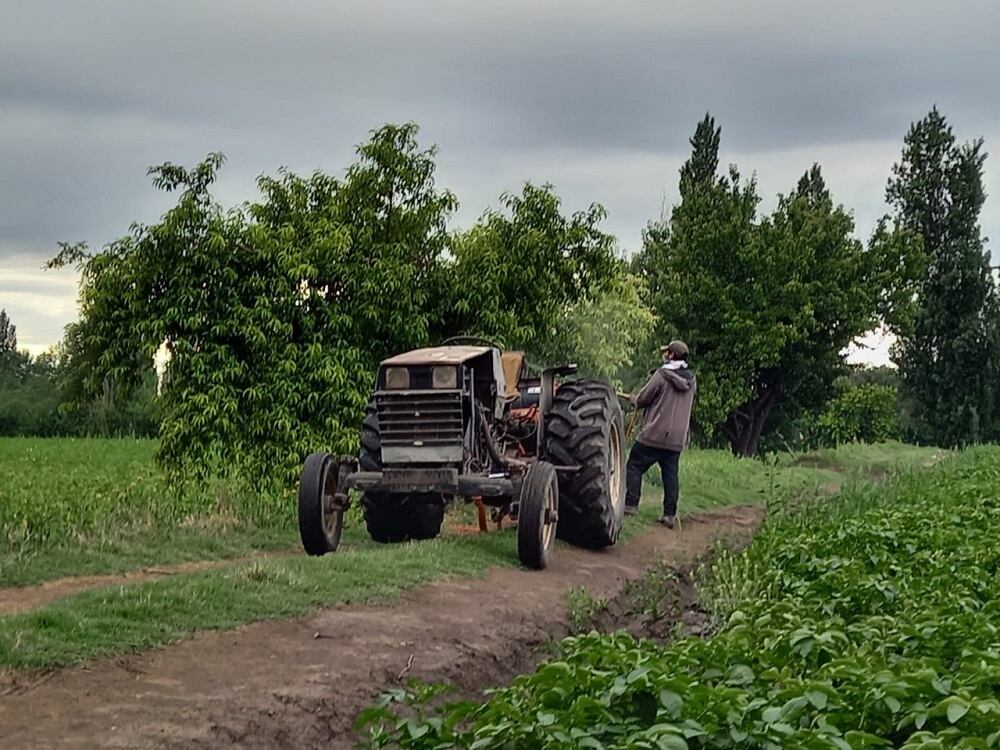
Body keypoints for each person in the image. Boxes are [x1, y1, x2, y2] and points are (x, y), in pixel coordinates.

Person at [624, 340, 697, 528]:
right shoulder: (692, 380)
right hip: (677, 438)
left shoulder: (661, 375)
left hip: (655, 434)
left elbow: (644, 398)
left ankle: (631, 505)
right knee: (671, 475)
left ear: (671, 355)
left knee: (634, 465)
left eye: (667, 352)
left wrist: (634, 400)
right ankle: (669, 515)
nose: (665, 355)